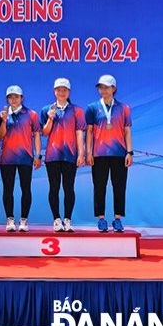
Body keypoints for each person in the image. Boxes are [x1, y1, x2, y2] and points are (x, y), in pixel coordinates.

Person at [85, 74, 133, 233]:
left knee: (119, 187)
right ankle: (101, 219)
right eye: (100, 87)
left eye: (106, 87)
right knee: (99, 187)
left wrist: (129, 152)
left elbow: (127, 131)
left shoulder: (124, 108)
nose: (103, 90)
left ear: (114, 88)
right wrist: (88, 152)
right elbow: (89, 132)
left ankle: (117, 219)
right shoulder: (92, 107)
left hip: (119, 154)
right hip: (98, 154)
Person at [40, 78, 86, 232]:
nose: (61, 92)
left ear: (69, 92)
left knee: (68, 188)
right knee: (54, 188)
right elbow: (45, 133)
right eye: (58, 90)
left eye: (64, 90)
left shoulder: (77, 111)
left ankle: (67, 219)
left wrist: (81, 154)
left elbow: (79, 133)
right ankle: (56, 219)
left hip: (70, 155)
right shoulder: (46, 109)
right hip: (52, 156)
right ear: (54, 91)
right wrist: (50, 117)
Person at [0, 85, 42, 232]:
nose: (13, 99)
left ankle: (24, 220)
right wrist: (3, 121)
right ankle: (9, 219)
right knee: (7, 189)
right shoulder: (2, 115)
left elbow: (36, 134)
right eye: (10, 97)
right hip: (7, 158)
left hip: (25, 158)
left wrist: (37, 154)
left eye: (16, 96)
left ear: (22, 98)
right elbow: (0, 135)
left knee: (26, 189)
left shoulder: (32, 114)